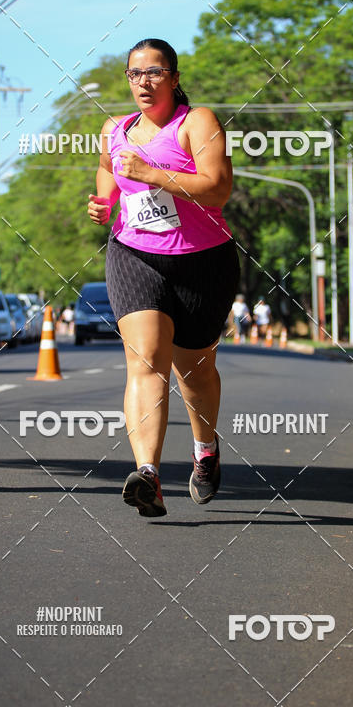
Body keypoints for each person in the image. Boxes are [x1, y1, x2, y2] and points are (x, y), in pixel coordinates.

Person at [88, 37, 239, 517]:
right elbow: (108, 176)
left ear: (174, 77)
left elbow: (219, 189)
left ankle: (205, 450)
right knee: (146, 360)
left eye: (154, 72)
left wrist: (154, 173)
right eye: (135, 74)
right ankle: (148, 475)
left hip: (204, 260)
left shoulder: (198, 122)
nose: (143, 82)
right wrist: (103, 203)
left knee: (194, 371)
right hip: (134, 254)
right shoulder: (115, 128)